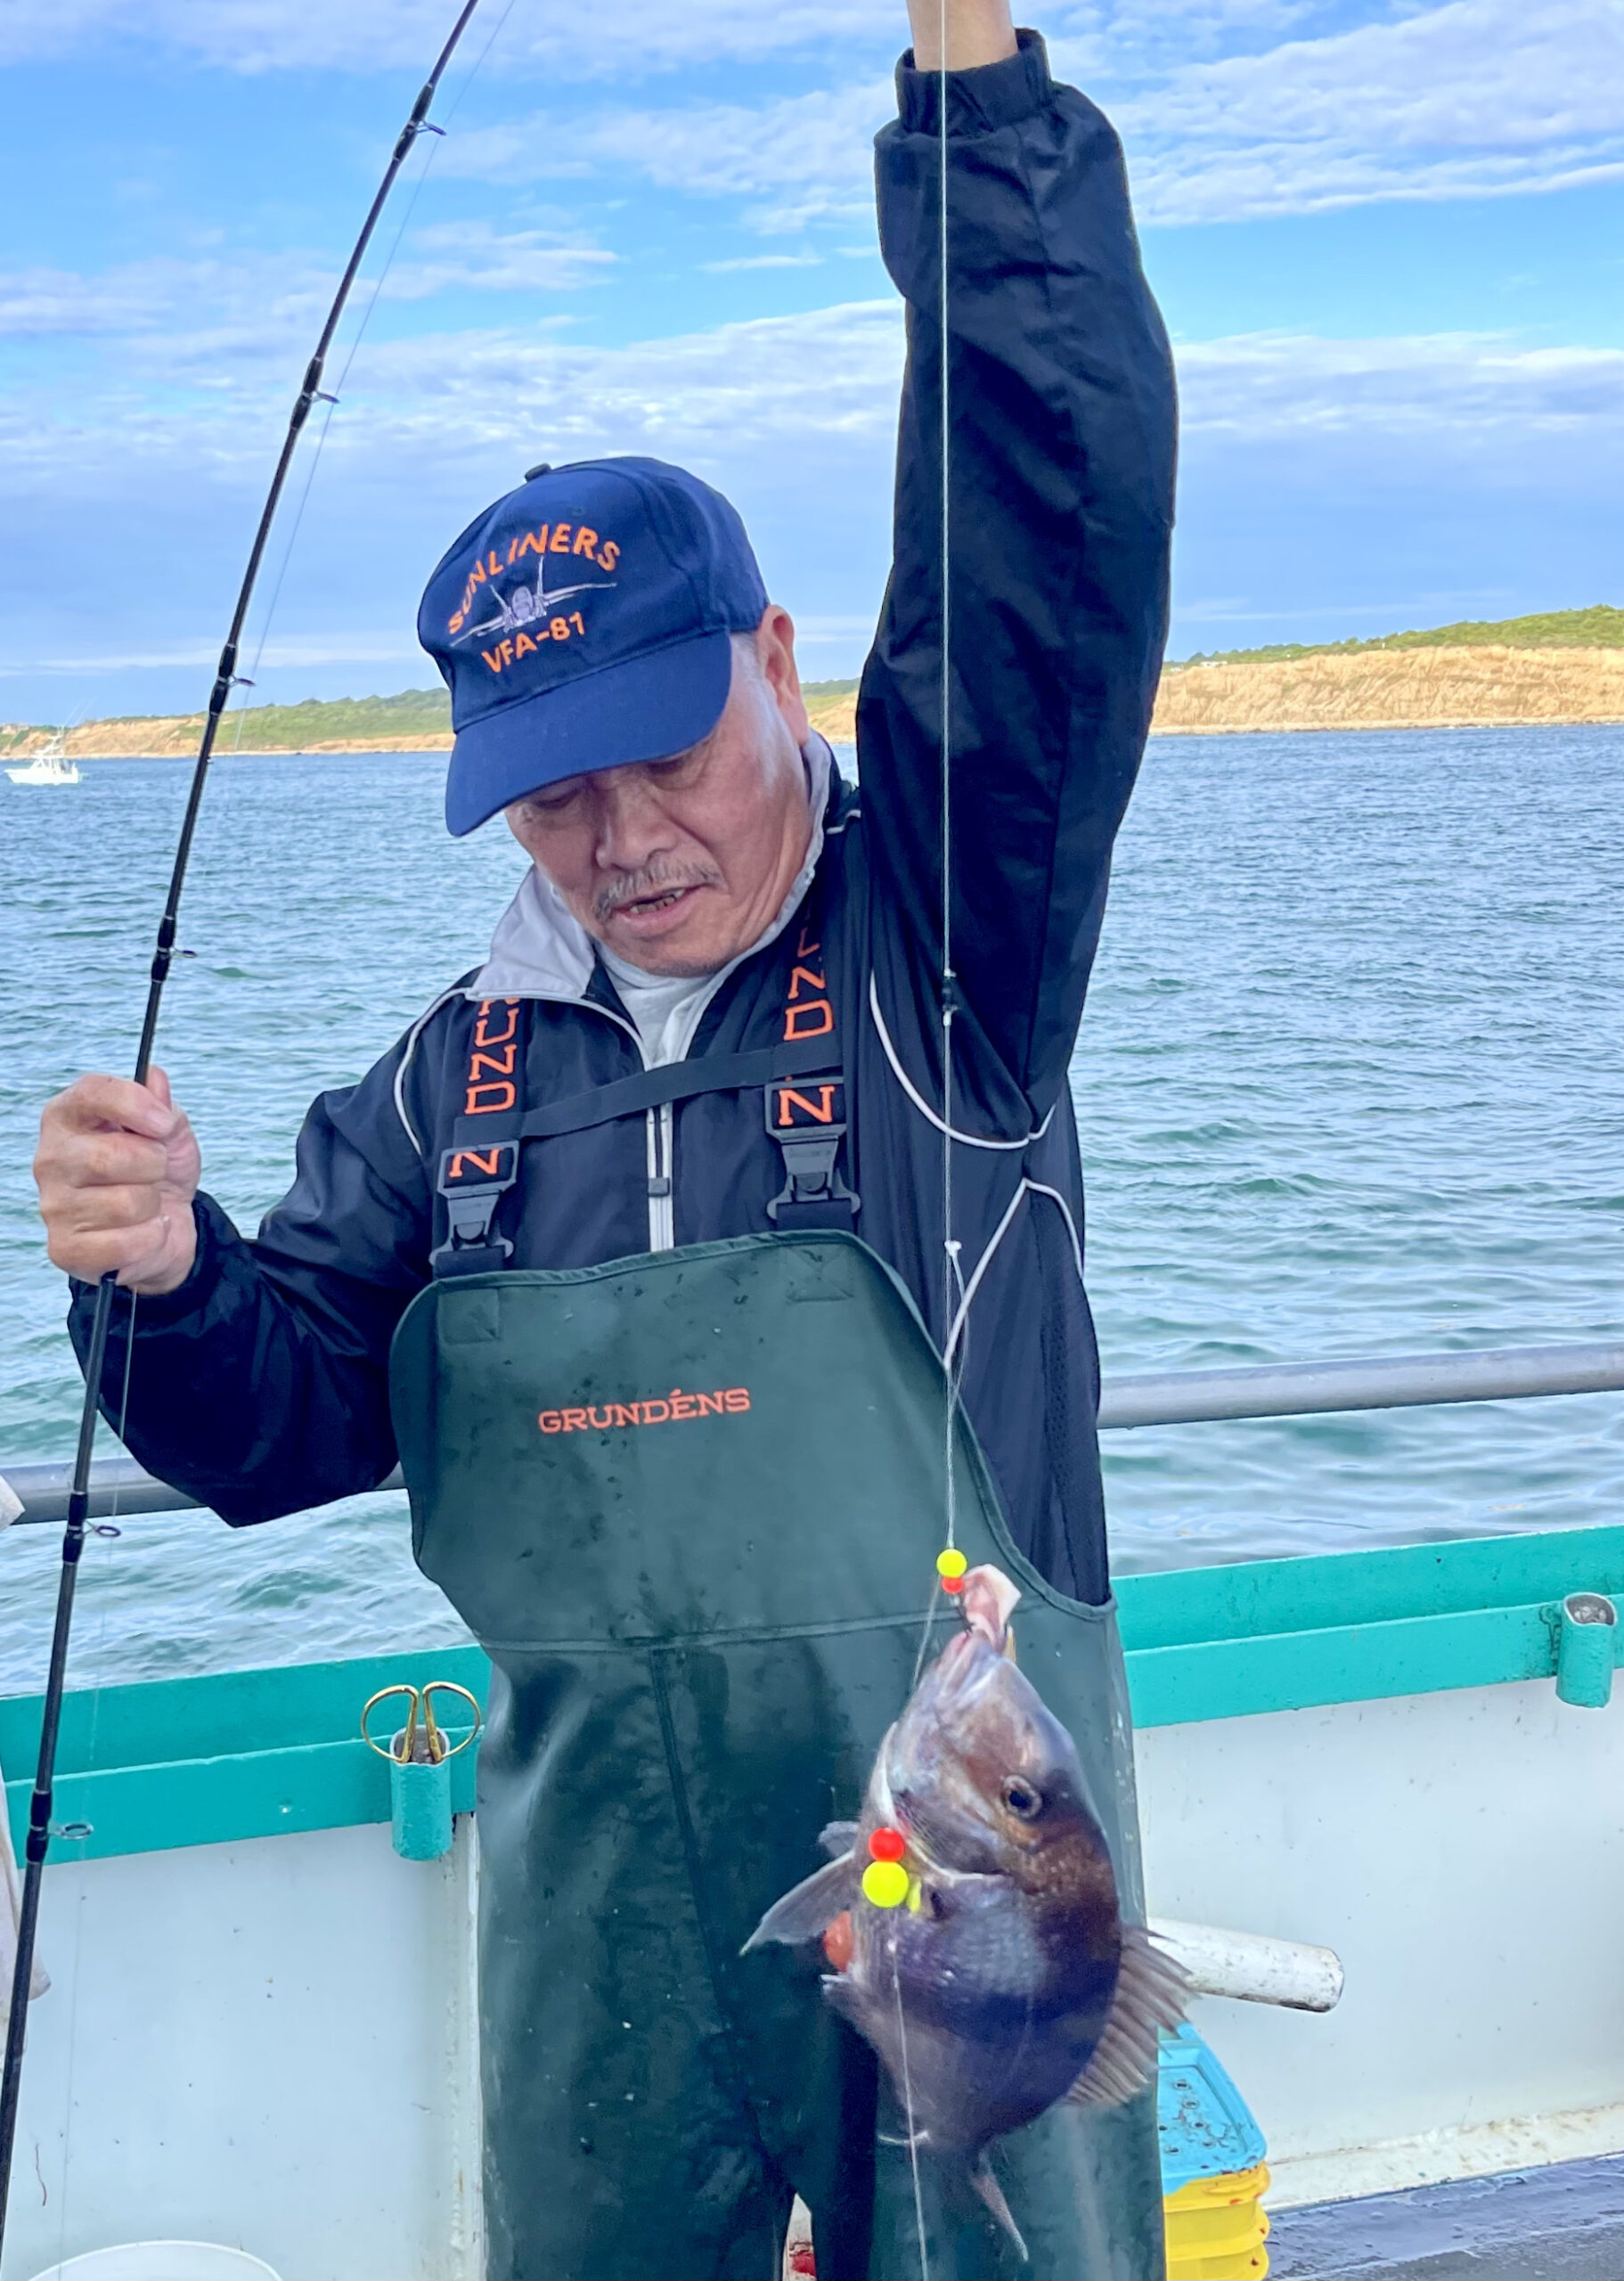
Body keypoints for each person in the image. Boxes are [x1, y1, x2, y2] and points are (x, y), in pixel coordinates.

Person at [34, 2, 1176, 2274]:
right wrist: (154, 1280)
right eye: (554, 786)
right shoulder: (437, 1090)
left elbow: (1041, 528)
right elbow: (273, 1426)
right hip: (599, 1928)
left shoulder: (951, 942)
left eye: (667, 751)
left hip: (957, 1897)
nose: (625, 834)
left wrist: (975, 107)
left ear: (774, 657)